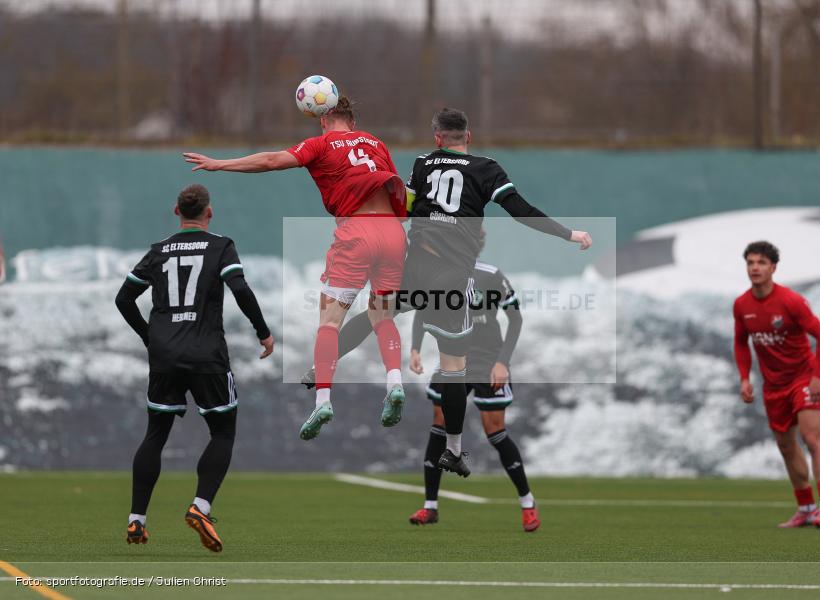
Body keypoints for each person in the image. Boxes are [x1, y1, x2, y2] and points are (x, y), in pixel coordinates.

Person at [303, 108, 592, 478]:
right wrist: (568, 234)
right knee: (455, 368)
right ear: (467, 137)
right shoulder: (487, 169)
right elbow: (519, 210)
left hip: (415, 264)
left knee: (378, 313)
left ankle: (321, 367)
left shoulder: (423, 163)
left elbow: (404, 203)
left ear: (437, 137)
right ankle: (454, 450)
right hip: (451, 278)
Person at [183, 97, 408, 441]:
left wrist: (219, 164)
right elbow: (402, 193)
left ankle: (323, 401)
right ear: (352, 119)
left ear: (323, 116)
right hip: (393, 233)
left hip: (357, 231)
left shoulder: (321, 144)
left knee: (330, 322)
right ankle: (395, 382)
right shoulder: (376, 143)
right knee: (382, 316)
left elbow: (272, 160)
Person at [116, 184, 274, 552]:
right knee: (222, 432)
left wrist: (149, 336)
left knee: (155, 433)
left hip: (165, 356)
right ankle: (200, 507)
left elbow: (123, 298)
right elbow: (240, 288)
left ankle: (136, 520)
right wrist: (263, 332)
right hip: (207, 355)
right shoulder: (220, 245)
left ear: (176, 211)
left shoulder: (159, 251)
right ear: (209, 212)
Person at [408, 234, 539, 532]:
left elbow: (515, 319)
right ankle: (430, 507)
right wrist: (415, 348)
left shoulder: (491, 276)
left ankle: (527, 503)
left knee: (495, 431)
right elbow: (422, 312)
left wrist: (502, 362)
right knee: (438, 426)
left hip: (487, 361)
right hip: (453, 358)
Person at [733, 241, 820, 529]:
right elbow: (741, 342)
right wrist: (744, 377)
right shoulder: (742, 305)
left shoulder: (790, 301)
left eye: (761, 263)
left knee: (812, 439)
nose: (755, 267)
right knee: (786, 446)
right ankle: (805, 508)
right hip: (773, 385)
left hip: (803, 379)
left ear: (773, 268)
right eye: (750, 262)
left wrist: (818, 377)